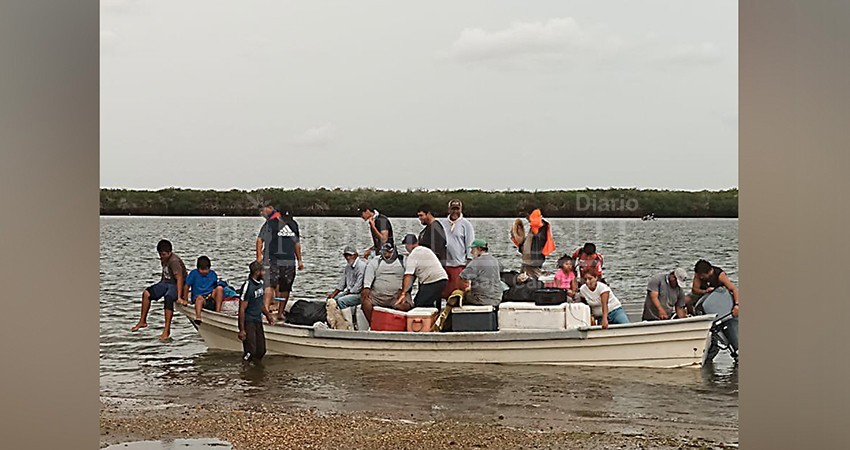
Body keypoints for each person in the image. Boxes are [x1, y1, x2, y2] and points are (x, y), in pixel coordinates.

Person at [131, 239, 188, 340]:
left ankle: (167, 329)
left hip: (176, 285)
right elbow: (164, 275)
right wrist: (159, 287)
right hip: (166, 283)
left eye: (164, 254)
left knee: (168, 298)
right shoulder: (164, 260)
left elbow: (180, 278)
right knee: (146, 293)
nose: (162, 257)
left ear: (170, 252)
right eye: (160, 254)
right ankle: (142, 321)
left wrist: (180, 297)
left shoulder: (174, 261)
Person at [256, 202, 303, 322]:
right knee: (270, 285)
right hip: (272, 259)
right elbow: (260, 240)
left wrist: (299, 260)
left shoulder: (293, 224)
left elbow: (296, 243)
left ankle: (280, 312)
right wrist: (259, 257)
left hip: (289, 260)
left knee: (285, 287)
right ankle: (266, 310)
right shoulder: (270, 224)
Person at [361, 242, 410, 323]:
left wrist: (404, 291)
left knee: (404, 305)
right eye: (384, 252)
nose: (386, 254)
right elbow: (368, 278)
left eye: (389, 252)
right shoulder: (375, 261)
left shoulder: (403, 261)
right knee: (365, 301)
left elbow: (410, 276)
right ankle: (372, 324)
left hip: (396, 296)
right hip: (378, 296)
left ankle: (399, 324)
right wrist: (366, 288)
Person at [396, 234, 448, 310]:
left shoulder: (413, 255)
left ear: (408, 245)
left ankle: (427, 319)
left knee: (419, 305)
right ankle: (434, 317)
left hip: (433, 281)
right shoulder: (426, 250)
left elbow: (408, 275)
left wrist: (403, 293)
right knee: (426, 303)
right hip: (442, 279)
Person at [238, 261, 274, 364]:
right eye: (262, 271)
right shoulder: (248, 286)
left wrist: (267, 315)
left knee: (261, 350)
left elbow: (260, 302)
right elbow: (242, 309)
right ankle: (244, 369)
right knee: (251, 351)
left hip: (258, 319)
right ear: (257, 272)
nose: (264, 273)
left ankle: (256, 372)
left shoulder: (260, 285)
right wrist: (242, 329)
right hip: (249, 321)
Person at [439, 199, 475, 298]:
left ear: (461, 210)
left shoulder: (466, 224)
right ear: (448, 210)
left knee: (459, 292)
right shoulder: (442, 224)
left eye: (457, 209)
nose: (455, 211)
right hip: (445, 264)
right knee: (445, 292)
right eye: (452, 209)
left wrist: (469, 263)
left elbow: (470, 245)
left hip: (460, 265)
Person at [511, 209, 555, 277]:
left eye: (528, 216)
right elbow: (526, 246)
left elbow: (536, 223)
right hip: (527, 263)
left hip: (532, 263)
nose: (527, 219)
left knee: (531, 280)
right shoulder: (533, 229)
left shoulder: (541, 227)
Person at [459, 239, 503, 306]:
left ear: (479, 249)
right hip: (497, 299)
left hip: (481, 299)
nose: (471, 252)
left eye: (473, 249)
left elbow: (462, 277)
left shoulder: (476, 262)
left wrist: (466, 288)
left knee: (461, 297)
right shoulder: (495, 261)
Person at [184, 255, 224, 322]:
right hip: (199, 298)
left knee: (219, 288)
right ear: (198, 268)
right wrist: (185, 299)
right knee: (199, 299)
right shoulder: (194, 274)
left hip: (210, 296)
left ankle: (218, 311)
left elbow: (215, 285)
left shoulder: (212, 274)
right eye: (202, 269)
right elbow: (187, 286)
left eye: (206, 269)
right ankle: (198, 317)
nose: (204, 271)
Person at [326, 245, 367, 309]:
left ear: (355, 255)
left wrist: (348, 293)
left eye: (350, 255)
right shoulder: (348, 267)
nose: (348, 257)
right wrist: (333, 294)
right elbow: (342, 283)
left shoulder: (361, 266)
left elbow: (358, 286)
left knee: (341, 301)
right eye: (346, 255)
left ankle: (347, 317)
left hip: (359, 294)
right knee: (333, 299)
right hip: (350, 292)